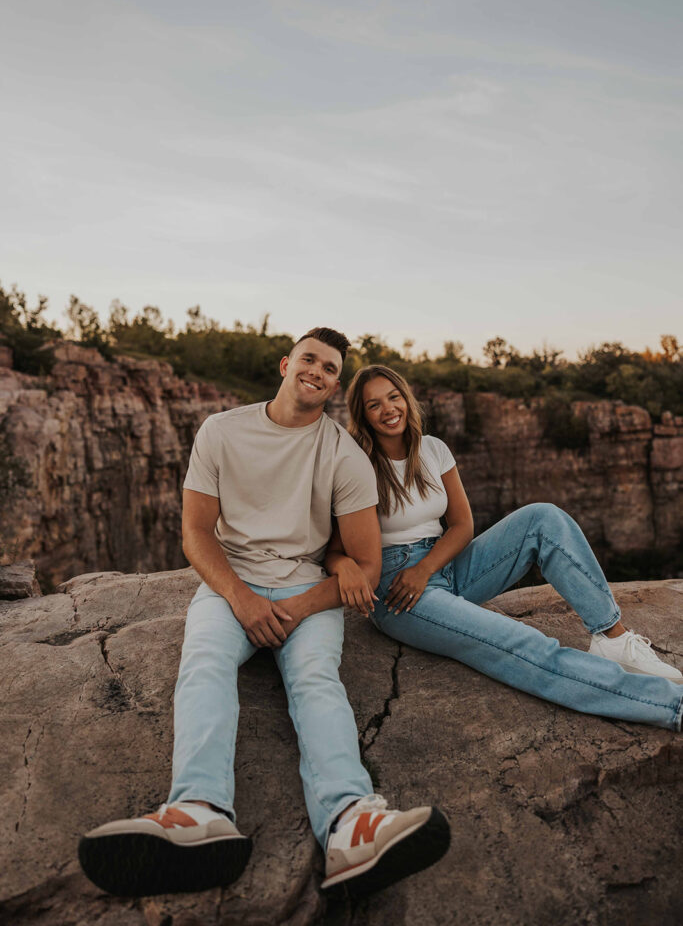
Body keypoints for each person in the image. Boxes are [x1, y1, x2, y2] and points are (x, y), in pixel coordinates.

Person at [78, 331, 449, 901]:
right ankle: (198, 812)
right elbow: (197, 534)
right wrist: (243, 600)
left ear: (333, 384)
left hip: (307, 589)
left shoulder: (344, 453)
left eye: (330, 368)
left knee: (317, 681)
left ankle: (352, 823)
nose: (319, 372)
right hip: (232, 585)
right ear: (286, 364)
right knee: (203, 663)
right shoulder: (221, 431)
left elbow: (368, 565)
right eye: (310, 359)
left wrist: (294, 606)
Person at [325, 365, 683, 735]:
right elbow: (334, 549)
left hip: (444, 565)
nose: (388, 409)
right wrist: (346, 568)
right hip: (398, 591)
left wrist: (427, 568)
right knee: (520, 642)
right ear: (362, 415)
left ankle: (613, 638)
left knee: (544, 518)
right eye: (374, 404)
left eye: (393, 397)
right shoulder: (359, 465)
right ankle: (669, 705)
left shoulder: (432, 449)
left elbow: (462, 525)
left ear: (406, 398)